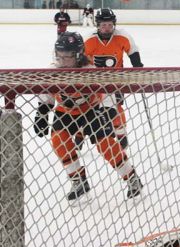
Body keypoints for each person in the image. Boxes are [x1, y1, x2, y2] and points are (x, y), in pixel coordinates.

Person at [33, 32, 143, 201]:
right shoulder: (52, 71)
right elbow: (46, 95)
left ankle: (132, 178)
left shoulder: (90, 71)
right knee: (58, 141)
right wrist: (41, 113)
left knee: (105, 144)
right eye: (59, 56)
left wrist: (108, 111)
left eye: (67, 57)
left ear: (78, 55)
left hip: (92, 110)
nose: (62, 61)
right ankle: (78, 181)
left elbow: (107, 92)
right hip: (65, 112)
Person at [81, 8, 144, 150]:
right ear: (97, 25)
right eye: (103, 25)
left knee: (117, 107)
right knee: (87, 108)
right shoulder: (88, 39)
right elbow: (80, 59)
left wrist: (137, 65)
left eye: (110, 25)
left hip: (116, 79)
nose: (107, 28)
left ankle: (121, 134)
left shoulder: (122, 36)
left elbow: (132, 50)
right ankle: (80, 135)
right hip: (93, 81)